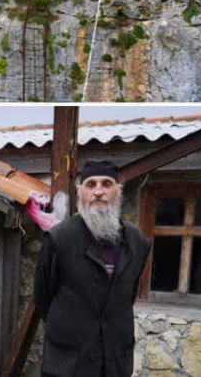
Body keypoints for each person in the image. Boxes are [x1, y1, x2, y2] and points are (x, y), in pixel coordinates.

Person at [34, 161, 151, 377]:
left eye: (106, 184)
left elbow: (128, 295)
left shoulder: (138, 242)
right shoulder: (59, 239)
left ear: (118, 191)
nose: (98, 191)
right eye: (91, 184)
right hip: (68, 364)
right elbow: (43, 299)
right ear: (80, 193)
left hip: (114, 361)